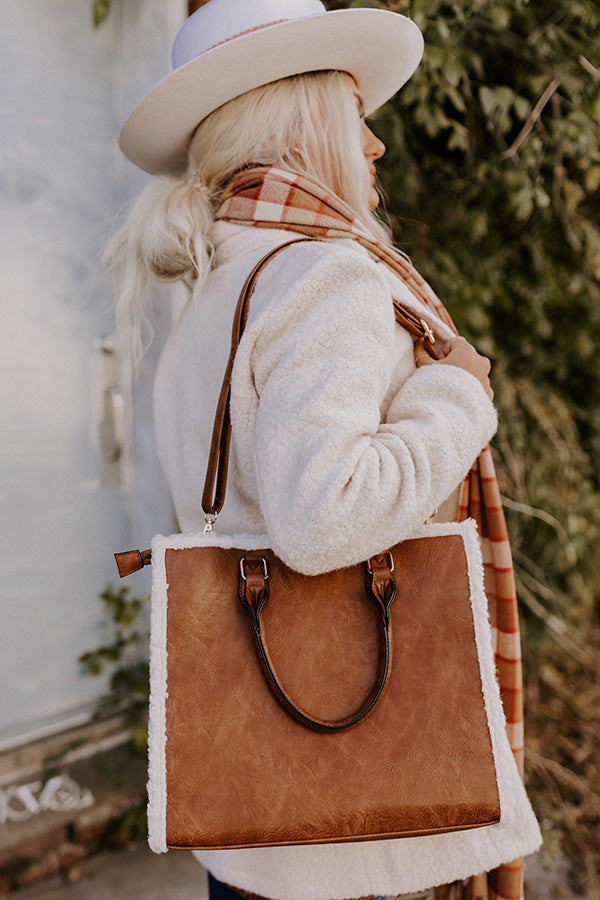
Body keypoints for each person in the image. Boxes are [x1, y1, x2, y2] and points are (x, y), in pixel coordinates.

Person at [109, 2, 539, 899]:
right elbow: (323, 515)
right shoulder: (323, 274)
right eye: (359, 115)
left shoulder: (213, 290)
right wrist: (457, 391)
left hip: (262, 817)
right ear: (304, 120)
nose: (375, 147)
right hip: (355, 818)